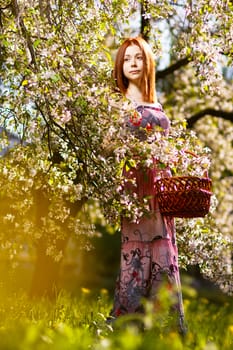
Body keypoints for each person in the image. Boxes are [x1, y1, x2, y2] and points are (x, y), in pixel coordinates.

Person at [109, 36, 186, 333]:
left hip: (161, 192)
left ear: (147, 62)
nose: (132, 63)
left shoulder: (156, 102)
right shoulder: (118, 103)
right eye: (126, 58)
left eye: (138, 57)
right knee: (137, 255)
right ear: (120, 65)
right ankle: (129, 326)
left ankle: (164, 328)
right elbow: (107, 146)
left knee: (164, 254)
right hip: (136, 194)